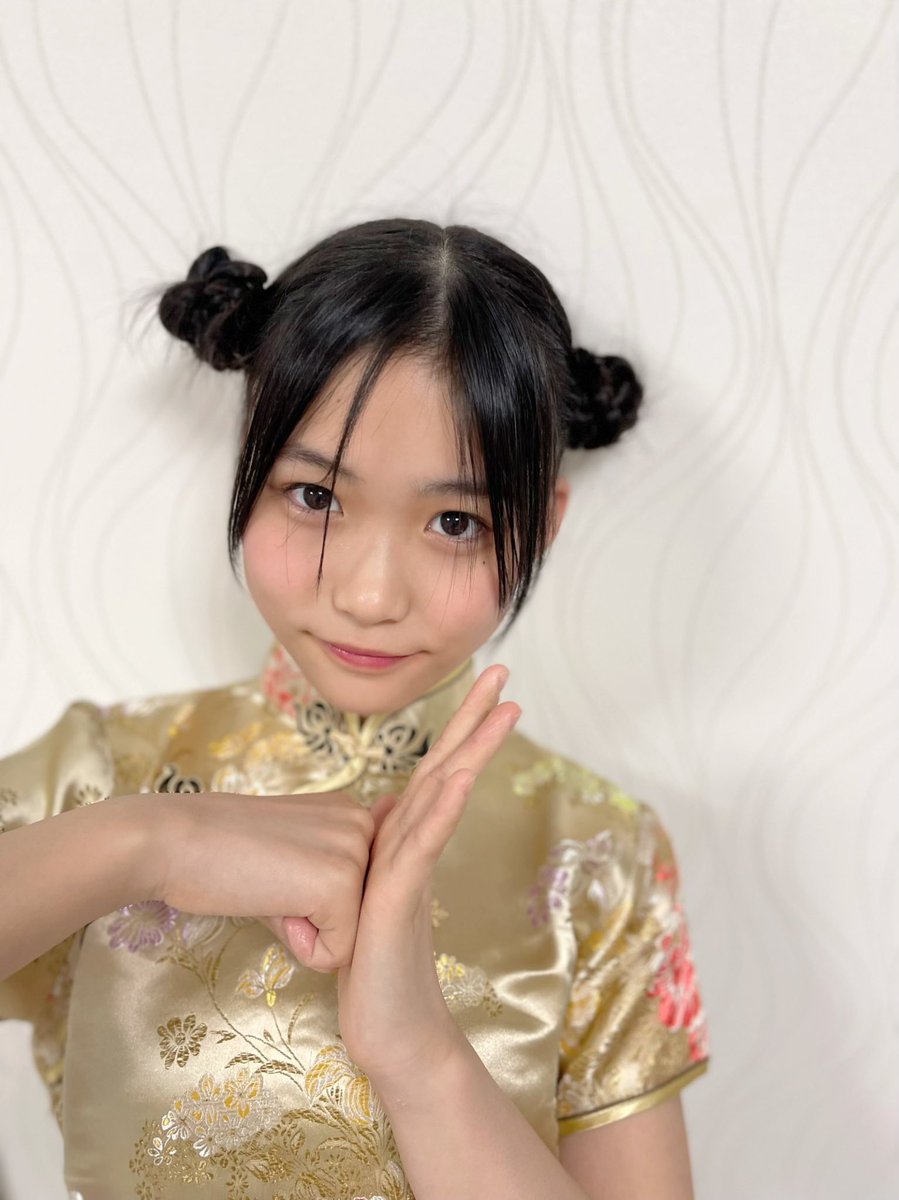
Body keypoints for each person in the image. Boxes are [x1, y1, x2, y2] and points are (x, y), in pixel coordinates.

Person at [0, 218, 710, 1200]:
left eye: (454, 521)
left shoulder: (596, 850)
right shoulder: (101, 772)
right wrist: (149, 840)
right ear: (248, 466)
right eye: (316, 497)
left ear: (541, 524)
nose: (371, 595)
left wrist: (419, 1054)